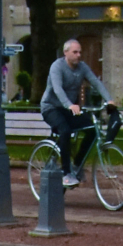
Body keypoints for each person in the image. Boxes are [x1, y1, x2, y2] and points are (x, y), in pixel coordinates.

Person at [39, 38, 112, 187]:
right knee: (64, 131)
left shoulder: (82, 67)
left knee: (92, 129)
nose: (78, 55)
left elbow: (96, 82)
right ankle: (67, 173)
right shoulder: (57, 67)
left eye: (80, 52)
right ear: (66, 53)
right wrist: (69, 104)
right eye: (75, 52)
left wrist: (109, 100)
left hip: (69, 108)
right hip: (51, 108)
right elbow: (57, 88)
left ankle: (77, 164)